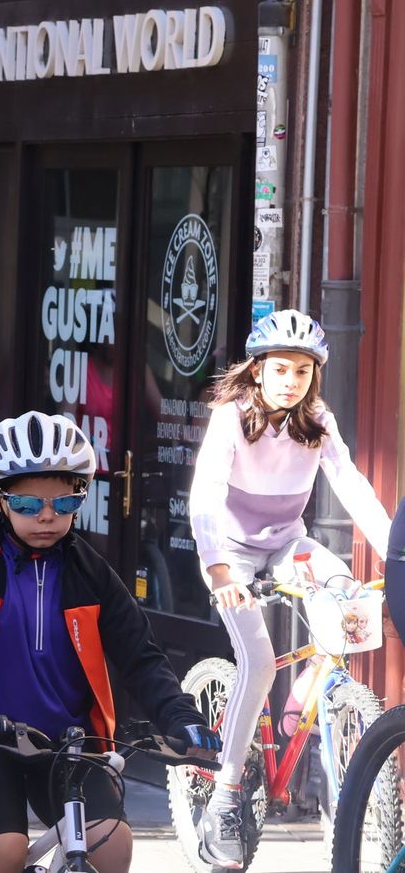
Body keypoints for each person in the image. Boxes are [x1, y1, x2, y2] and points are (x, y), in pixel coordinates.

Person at [0, 411, 220, 873]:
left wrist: (179, 716)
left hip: (69, 747)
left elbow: (140, 655)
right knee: (4, 850)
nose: (46, 516)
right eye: (27, 504)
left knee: (111, 844)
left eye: (64, 503)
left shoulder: (90, 571)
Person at [188, 309, 392, 867]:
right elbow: (205, 495)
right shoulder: (232, 418)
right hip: (230, 554)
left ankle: (301, 703)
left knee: (345, 591)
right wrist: (220, 572)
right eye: (280, 369)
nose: (291, 381)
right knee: (257, 660)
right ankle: (227, 792)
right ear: (257, 371)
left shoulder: (317, 421)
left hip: (286, 544)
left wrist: (395, 552)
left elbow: (351, 485)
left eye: (302, 371)